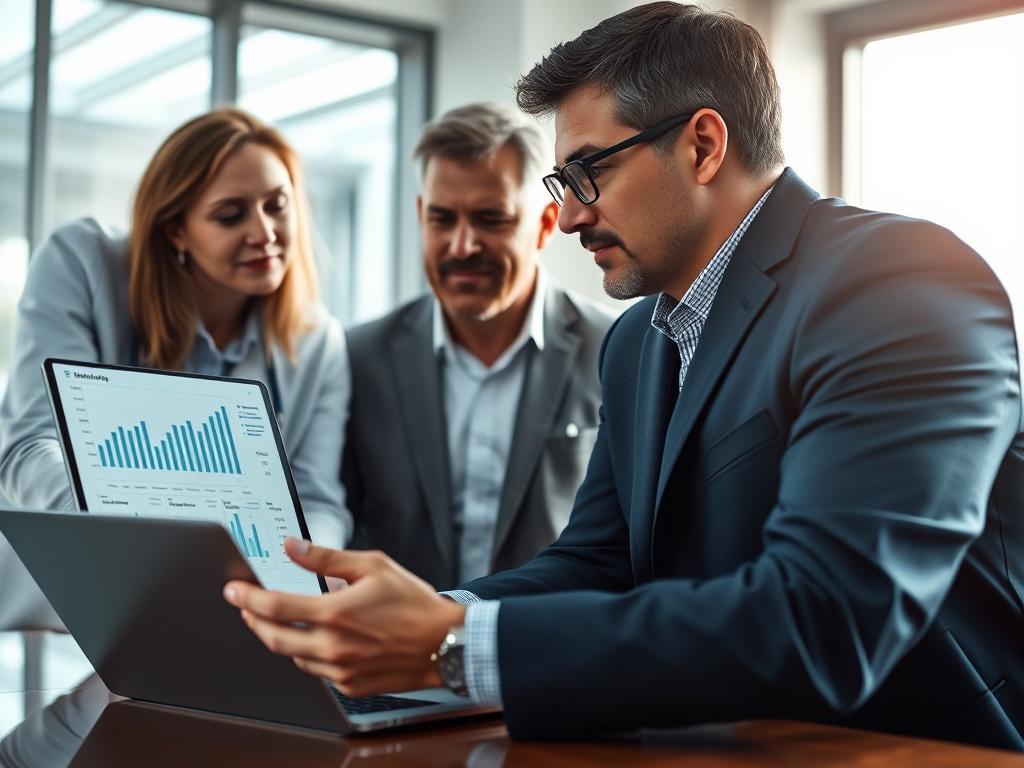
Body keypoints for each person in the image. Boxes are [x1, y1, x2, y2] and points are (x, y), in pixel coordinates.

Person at [224, 3, 1024, 749]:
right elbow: (597, 563)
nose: (569, 216)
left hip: (916, 751)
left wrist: (451, 646)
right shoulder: (639, 340)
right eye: (562, 185)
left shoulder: (901, 283)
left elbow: (827, 619)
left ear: (703, 145)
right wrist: (427, 613)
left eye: (589, 172)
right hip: (716, 745)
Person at [0, 107, 351, 629]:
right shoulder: (83, 264)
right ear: (175, 231)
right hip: (59, 620)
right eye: (230, 215)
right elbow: (29, 447)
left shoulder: (318, 343)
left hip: (229, 624)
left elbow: (315, 496)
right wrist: (140, 547)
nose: (266, 233)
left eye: (277, 206)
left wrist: (310, 574)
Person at [342, 103, 615, 589]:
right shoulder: (357, 359)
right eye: (443, 219)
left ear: (546, 224)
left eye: (491, 219)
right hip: (395, 658)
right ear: (422, 216)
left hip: (552, 653)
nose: (463, 245)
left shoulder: (618, 351)